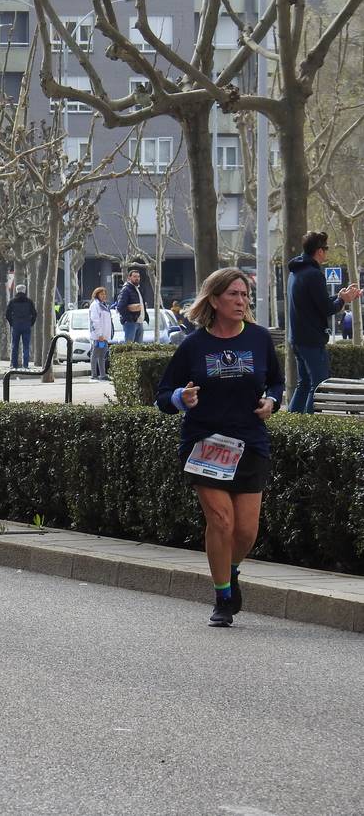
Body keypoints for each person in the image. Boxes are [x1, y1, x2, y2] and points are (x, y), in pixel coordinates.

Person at [155, 268, 283, 627]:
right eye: (233, 295)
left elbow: (276, 382)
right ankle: (223, 597)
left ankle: (231, 570)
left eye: (245, 295)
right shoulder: (194, 345)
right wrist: (183, 397)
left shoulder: (258, 339)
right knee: (221, 520)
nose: (241, 301)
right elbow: (163, 396)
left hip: (250, 442)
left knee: (245, 531)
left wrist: (272, 400)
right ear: (214, 300)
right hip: (205, 443)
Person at [287, 231, 362, 413]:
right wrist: (344, 299)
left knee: (304, 383)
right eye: (326, 250)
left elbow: (315, 302)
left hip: (297, 338)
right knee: (319, 385)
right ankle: (310, 430)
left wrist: (339, 296)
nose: (326, 254)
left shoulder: (296, 272)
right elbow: (327, 308)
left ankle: (292, 424)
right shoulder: (313, 274)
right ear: (319, 251)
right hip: (311, 339)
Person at [5, 283, 37, 368]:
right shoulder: (29, 301)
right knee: (26, 346)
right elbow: (34, 314)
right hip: (26, 325)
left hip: (16, 325)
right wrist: (31, 323)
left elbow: (7, 314)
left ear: (16, 291)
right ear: (25, 291)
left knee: (14, 345)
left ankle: (14, 364)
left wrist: (12, 323)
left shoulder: (12, 301)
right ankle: (25, 365)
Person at [116, 269, 149, 343]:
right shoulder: (126, 289)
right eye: (134, 276)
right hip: (131, 323)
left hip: (140, 322)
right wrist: (131, 318)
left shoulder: (138, 289)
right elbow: (120, 307)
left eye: (138, 276)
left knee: (138, 349)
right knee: (129, 348)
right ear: (129, 278)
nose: (137, 278)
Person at [88, 286, 113, 381]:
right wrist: (99, 334)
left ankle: (103, 375)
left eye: (104, 294)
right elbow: (95, 321)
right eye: (101, 294)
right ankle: (94, 374)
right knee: (95, 355)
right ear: (97, 295)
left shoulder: (104, 305)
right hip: (98, 336)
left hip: (104, 336)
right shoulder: (95, 305)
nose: (104, 296)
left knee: (102, 356)